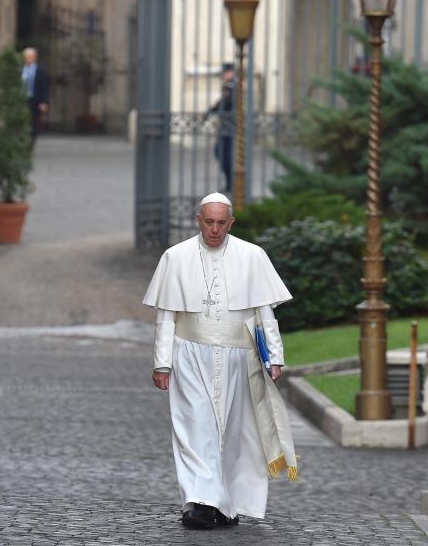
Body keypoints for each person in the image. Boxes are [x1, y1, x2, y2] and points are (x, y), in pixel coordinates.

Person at [142, 192, 298, 530]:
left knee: (234, 433)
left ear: (230, 223)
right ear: (199, 221)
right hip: (190, 352)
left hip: (238, 357)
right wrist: (162, 363)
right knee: (195, 428)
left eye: (221, 223)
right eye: (208, 222)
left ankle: (225, 505)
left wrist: (274, 357)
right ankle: (199, 503)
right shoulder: (175, 256)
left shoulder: (252, 256)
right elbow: (166, 315)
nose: (214, 229)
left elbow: (264, 313)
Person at [210, 63, 235, 192]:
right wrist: (212, 110)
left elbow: (226, 103)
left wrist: (215, 109)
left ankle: (232, 183)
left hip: (230, 128)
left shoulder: (233, 87)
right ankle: (230, 182)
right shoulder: (228, 86)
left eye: (224, 72)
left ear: (231, 72)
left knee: (225, 155)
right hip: (225, 128)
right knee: (221, 153)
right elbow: (222, 102)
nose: (222, 75)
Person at [21, 47, 49, 148]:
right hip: (22, 100)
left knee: (33, 124)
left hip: (34, 100)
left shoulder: (39, 71)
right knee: (22, 122)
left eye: (30, 57)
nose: (28, 59)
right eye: (26, 57)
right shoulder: (20, 69)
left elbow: (44, 87)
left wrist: (44, 102)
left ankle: (30, 143)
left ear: (34, 58)